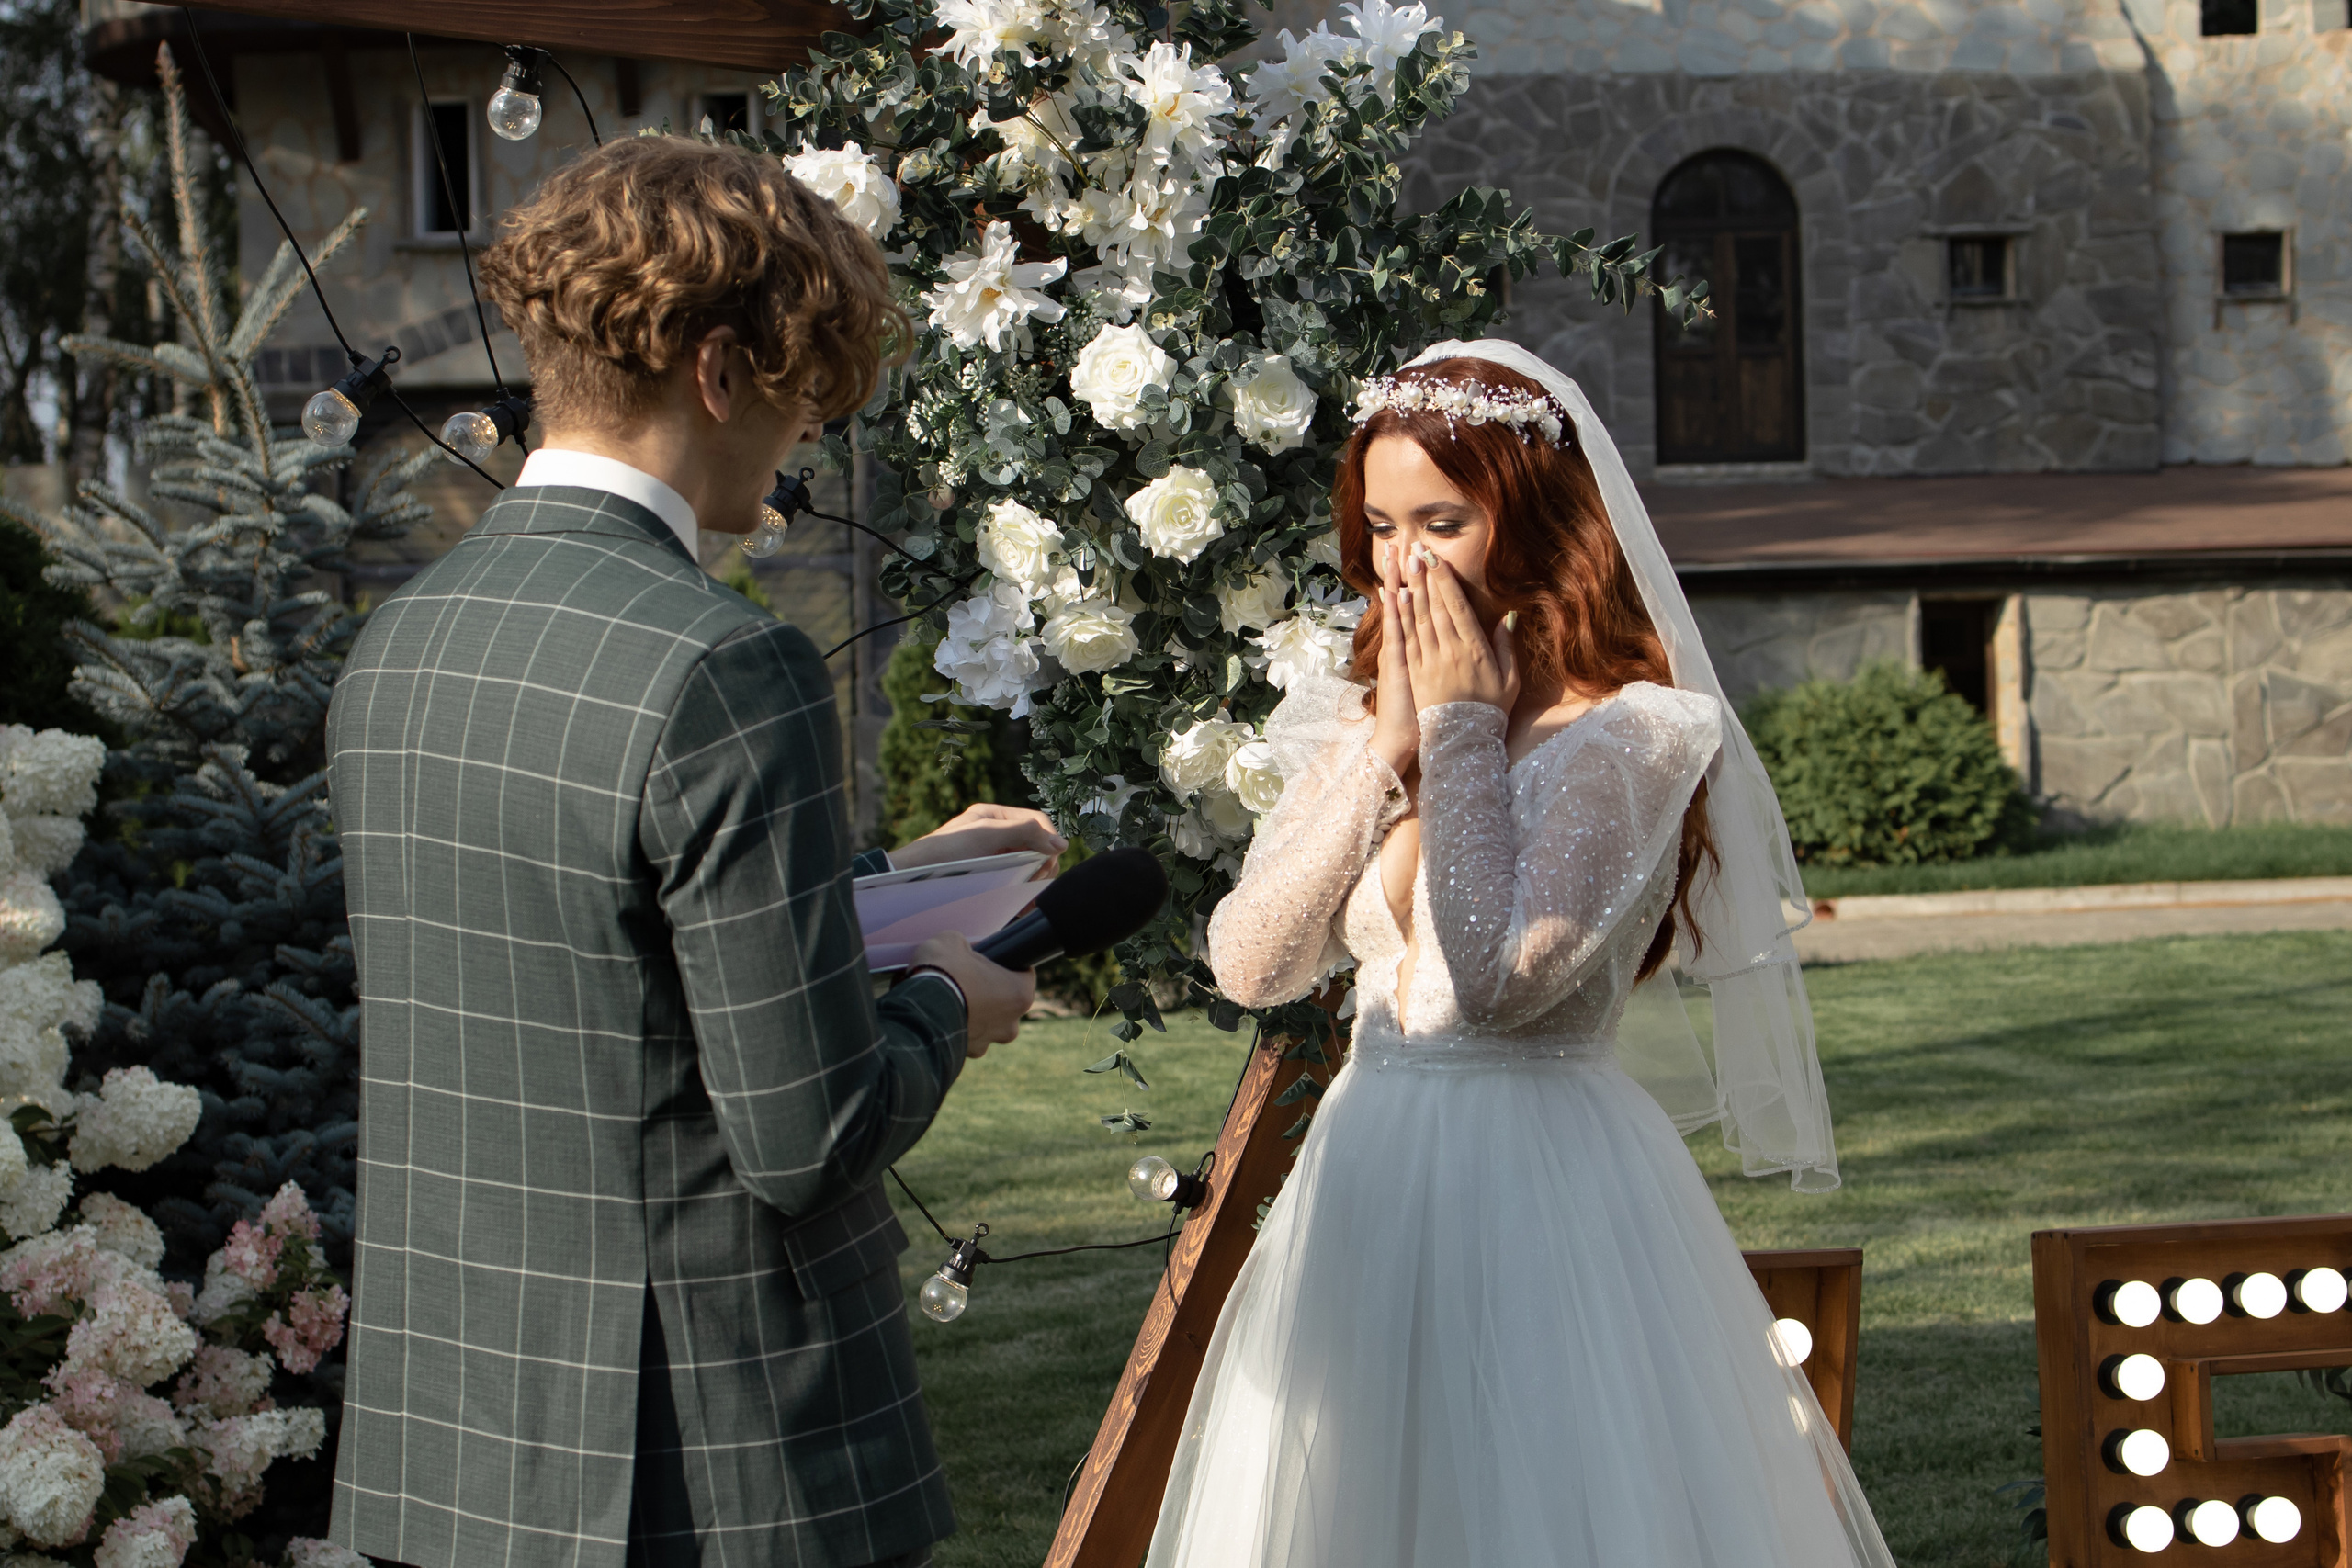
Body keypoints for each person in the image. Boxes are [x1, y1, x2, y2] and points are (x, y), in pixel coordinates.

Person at [324, 137, 1055, 1568]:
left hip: (453, 1439)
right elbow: (806, 1135)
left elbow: (602, 964)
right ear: (720, 372)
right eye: (801, 398)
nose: (803, 442)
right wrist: (944, 1003)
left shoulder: (398, 643)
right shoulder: (726, 665)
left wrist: (890, 886)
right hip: (705, 1457)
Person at [1145, 340, 1894, 1567]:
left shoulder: (1639, 735)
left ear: (1533, 515)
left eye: (1440, 519)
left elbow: (1488, 984)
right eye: (1381, 526)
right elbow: (1249, 963)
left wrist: (1461, 733)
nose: (1403, 563)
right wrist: (1387, 755)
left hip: (1543, 1188)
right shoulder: (1367, 718)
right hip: (1366, 1176)